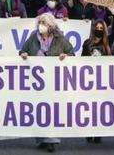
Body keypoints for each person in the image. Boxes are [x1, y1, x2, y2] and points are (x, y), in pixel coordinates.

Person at [20, 13, 74, 152]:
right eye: (40, 22)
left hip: (54, 81)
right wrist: (24, 54)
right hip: (37, 82)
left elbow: (71, 53)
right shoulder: (33, 37)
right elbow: (23, 50)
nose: (41, 25)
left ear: (51, 26)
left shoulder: (59, 38)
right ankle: (41, 139)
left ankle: (51, 140)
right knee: (39, 110)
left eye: (44, 23)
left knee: (52, 110)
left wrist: (65, 56)